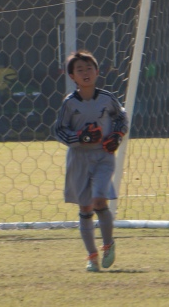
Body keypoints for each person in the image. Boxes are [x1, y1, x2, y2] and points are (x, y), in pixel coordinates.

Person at [53, 50, 128, 273]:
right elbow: (59, 130)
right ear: (72, 76)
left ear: (97, 72)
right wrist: (80, 137)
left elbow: (121, 118)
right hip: (79, 158)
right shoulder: (69, 103)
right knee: (85, 207)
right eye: (79, 70)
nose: (85, 73)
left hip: (103, 156)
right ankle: (92, 256)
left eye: (89, 68)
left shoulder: (107, 98)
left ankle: (108, 245)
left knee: (99, 200)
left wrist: (117, 135)